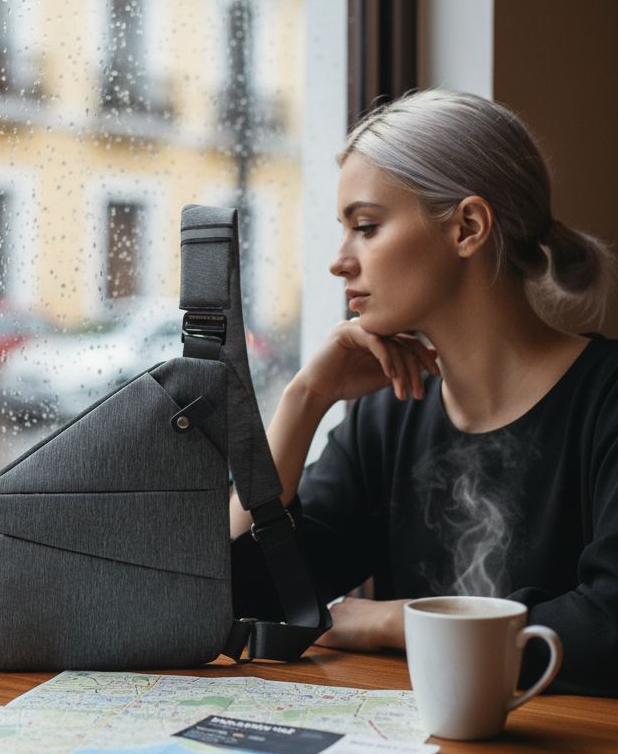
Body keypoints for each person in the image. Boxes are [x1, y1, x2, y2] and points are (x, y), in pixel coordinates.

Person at [231, 88, 618, 697]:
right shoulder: (388, 417)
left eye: (366, 227)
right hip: (417, 752)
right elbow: (239, 592)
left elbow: (608, 628)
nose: (339, 261)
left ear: (467, 227)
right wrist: (304, 400)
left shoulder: (606, 402)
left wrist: (399, 621)